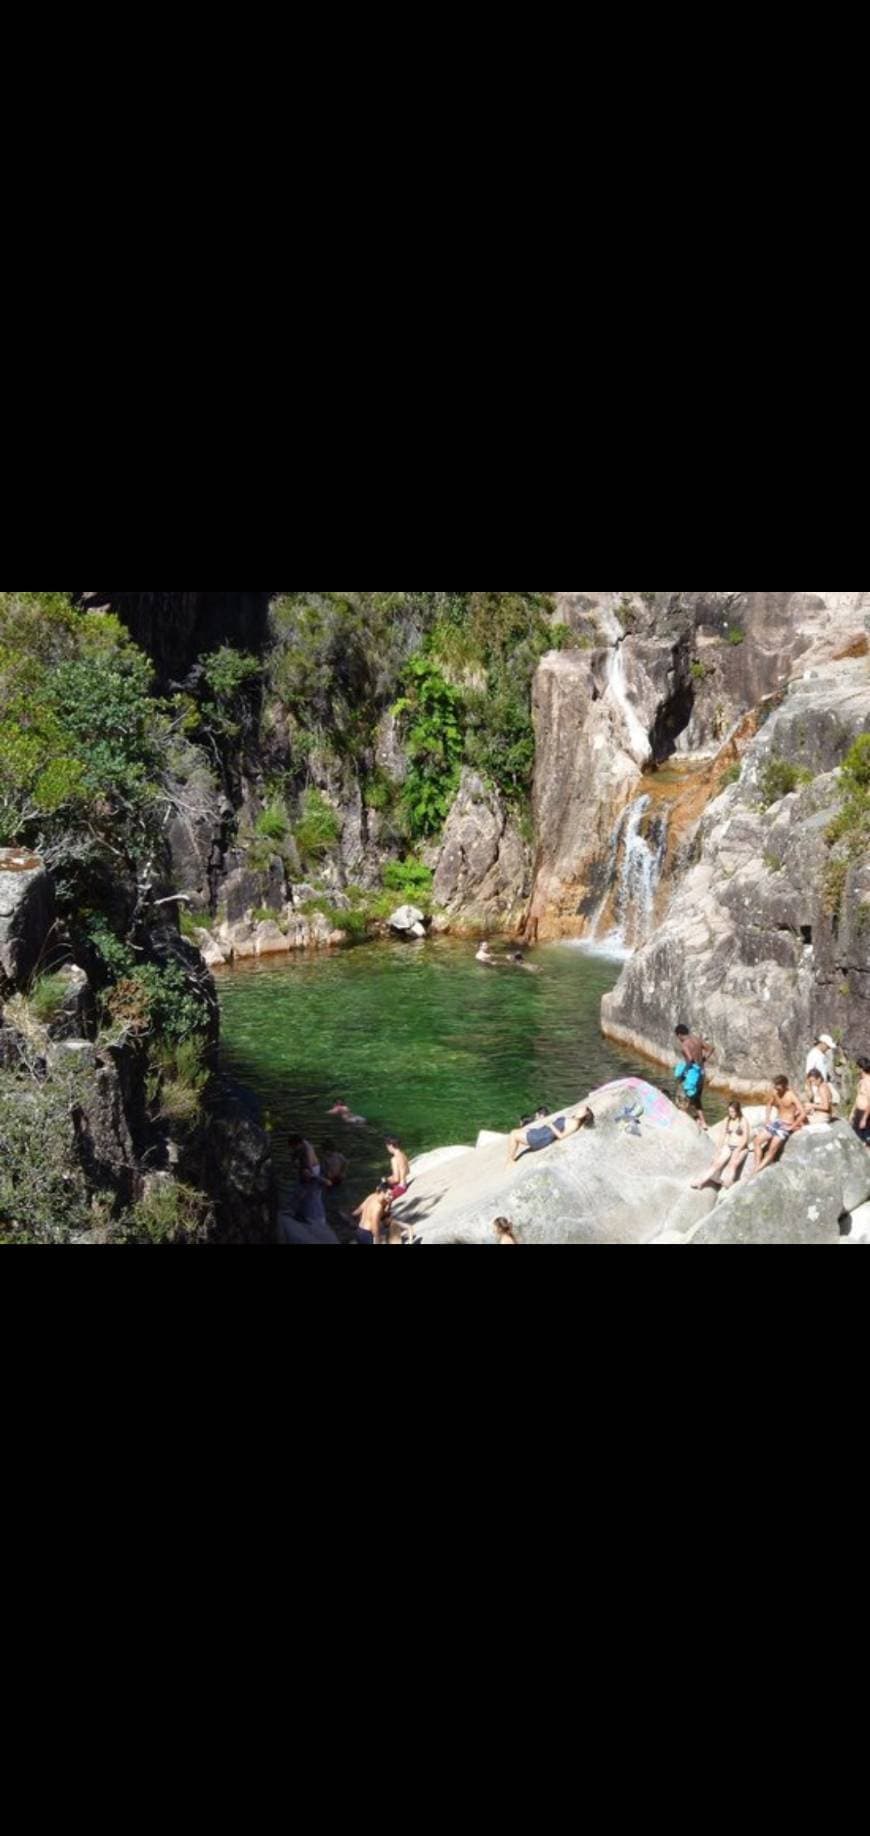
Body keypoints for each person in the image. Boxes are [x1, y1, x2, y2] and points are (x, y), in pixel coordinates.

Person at [507, 1103, 594, 1165]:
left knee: (513, 1134)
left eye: (582, 1109)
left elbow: (561, 1136)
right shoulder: (573, 1120)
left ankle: (510, 1161)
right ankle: (510, 1159)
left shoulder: (574, 1124)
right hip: (542, 1132)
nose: (579, 1109)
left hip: (541, 1138)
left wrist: (551, 1125)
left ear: (584, 1114)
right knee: (516, 1131)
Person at [752, 1077, 807, 1174]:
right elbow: (769, 1104)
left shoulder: (791, 1096)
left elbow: (803, 1113)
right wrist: (767, 1118)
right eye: (776, 1087)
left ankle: (757, 1171)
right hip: (776, 1122)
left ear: (785, 1086)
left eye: (779, 1087)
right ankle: (756, 1166)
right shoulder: (775, 1093)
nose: (777, 1089)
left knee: (772, 1150)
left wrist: (792, 1126)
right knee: (756, 1142)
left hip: (786, 1124)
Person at [691, 1102, 750, 1191]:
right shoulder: (727, 1120)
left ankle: (727, 1185)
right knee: (717, 1164)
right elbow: (722, 1135)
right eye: (729, 1111)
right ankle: (701, 1181)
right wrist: (718, 1150)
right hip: (729, 1146)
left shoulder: (743, 1121)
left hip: (741, 1147)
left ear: (738, 1111)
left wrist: (738, 1150)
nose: (731, 1114)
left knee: (732, 1165)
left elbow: (745, 1138)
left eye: (733, 1112)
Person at [674, 1023, 714, 1131]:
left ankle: (681, 1125)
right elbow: (711, 1048)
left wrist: (683, 1073)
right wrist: (704, 1059)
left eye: (678, 1037)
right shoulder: (697, 1039)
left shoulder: (685, 1044)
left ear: (679, 1035)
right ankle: (704, 1123)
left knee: (683, 1098)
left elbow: (690, 1059)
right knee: (697, 1099)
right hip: (700, 1073)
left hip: (691, 1075)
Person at [352, 1181, 394, 1246]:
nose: (391, 1197)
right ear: (382, 1193)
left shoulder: (372, 1196)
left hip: (359, 1231)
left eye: (392, 1195)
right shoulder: (378, 1207)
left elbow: (358, 1211)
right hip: (367, 1235)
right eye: (389, 1194)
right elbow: (375, 1228)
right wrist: (377, 1240)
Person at [807, 1033, 840, 1108]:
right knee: (821, 1104)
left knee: (835, 1099)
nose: (828, 1049)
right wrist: (809, 1089)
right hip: (816, 1084)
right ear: (823, 1044)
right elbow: (808, 1073)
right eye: (827, 1047)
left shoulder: (821, 1054)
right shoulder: (813, 1054)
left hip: (823, 1083)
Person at [851, 1056, 870, 1145]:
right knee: (856, 1137)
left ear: (862, 1068)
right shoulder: (862, 1081)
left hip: (865, 1113)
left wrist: (864, 1118)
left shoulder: (868, 1081)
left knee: (865, 1140)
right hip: (858, 1112)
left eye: (857, 1067)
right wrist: (853, 1112)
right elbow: (858, 1096)